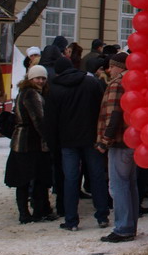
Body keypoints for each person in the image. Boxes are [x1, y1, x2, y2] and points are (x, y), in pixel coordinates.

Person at [43, 53, 109, 231]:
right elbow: (102, 109)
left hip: (68, 141)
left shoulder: (54, 89)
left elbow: (50, 120)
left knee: (70, 179)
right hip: (91, 138)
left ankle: (71, 220)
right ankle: (102, 215)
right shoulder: (91, 83)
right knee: (97, 176)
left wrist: (52, 143)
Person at [3, 65, 55, 223]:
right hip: (29, 142)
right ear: (30, 79)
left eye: (43, 78)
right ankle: (30, 212)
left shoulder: (27, 92)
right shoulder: (31, 94)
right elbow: (38, 120)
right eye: (38, 78)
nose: (41, 81)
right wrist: (49, 138)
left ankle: (29, 212)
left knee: (26, 179)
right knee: (30, 178)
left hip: (23, 141)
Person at [97, 52, 137, 243]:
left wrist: (105, 140)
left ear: (118, 67)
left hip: (119, 141)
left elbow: (113, 114)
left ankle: (123, 227)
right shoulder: (133, 81)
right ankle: (130, 224)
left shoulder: (116, 83)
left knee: (119, 185)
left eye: (112, 66)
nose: (109, 69)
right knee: (130, 185)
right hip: (131, 140)